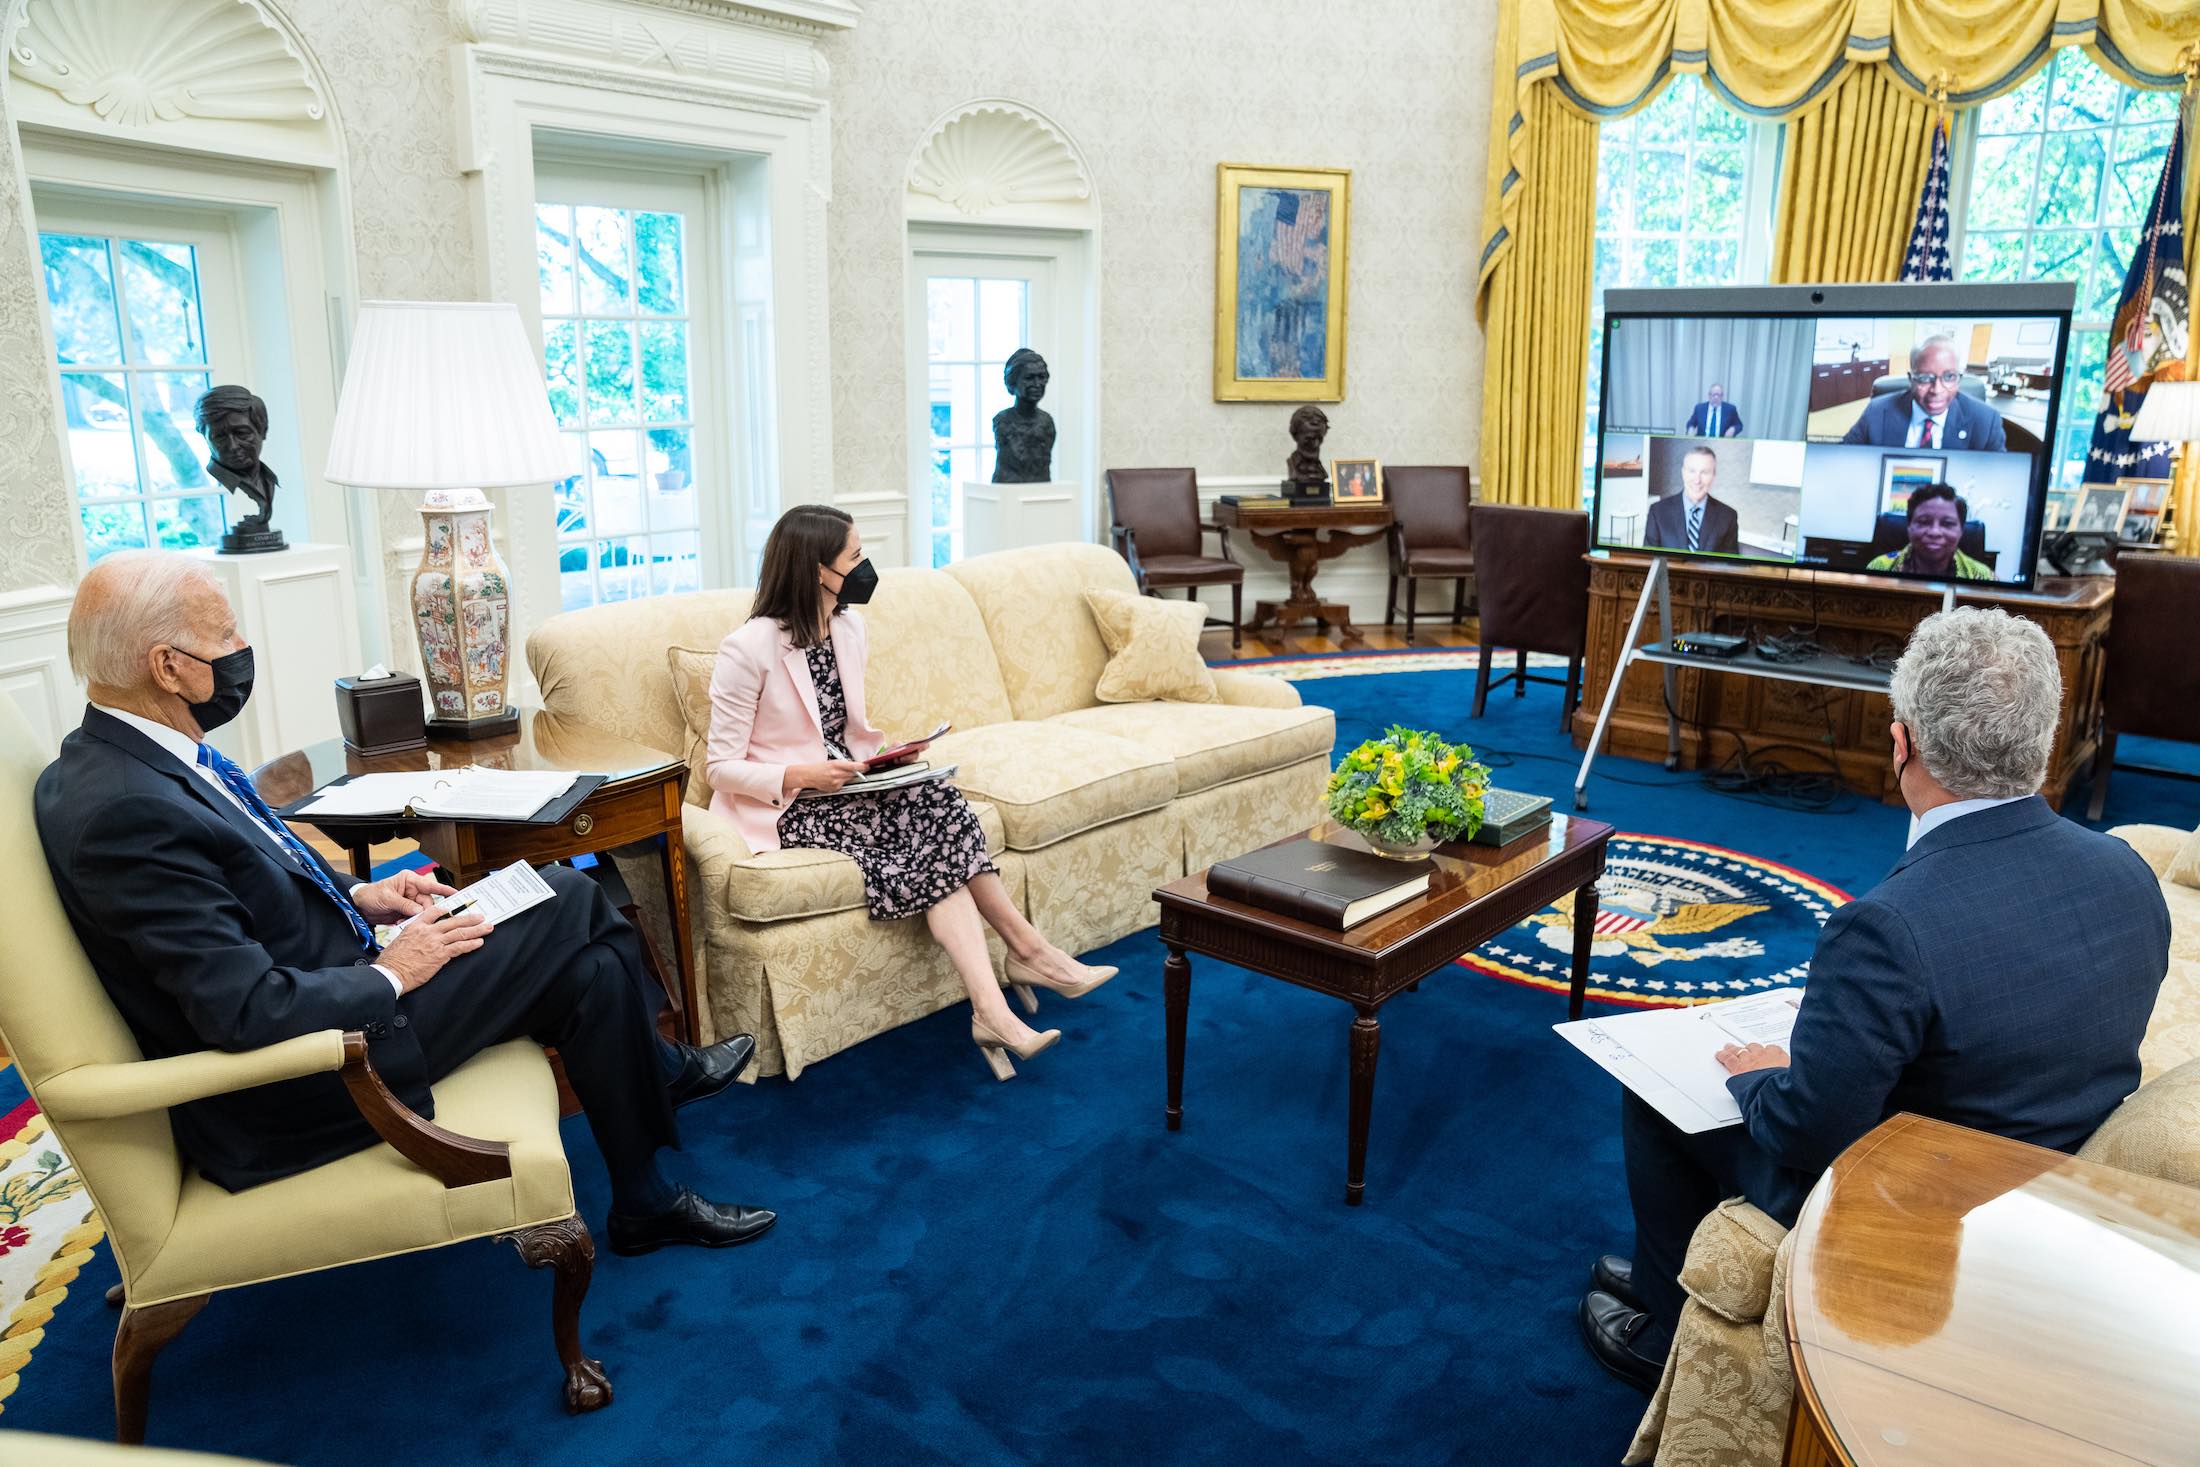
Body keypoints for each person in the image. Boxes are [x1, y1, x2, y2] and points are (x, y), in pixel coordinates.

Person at [36, 553, 774, 1256]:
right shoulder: (128, 811)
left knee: (588, 971)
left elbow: (231, 889)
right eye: (225, 635)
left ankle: (644, 1197)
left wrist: (361, 893)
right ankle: (664, 1071)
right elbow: (241, 1010)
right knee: (569, 893)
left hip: (333, 980)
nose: (242, 647)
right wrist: (393, 971)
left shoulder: (128, 759)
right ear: (167, 666)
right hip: (315, 1070)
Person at [1579, 607, 2169, 1390]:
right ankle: (1679, 1268)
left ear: (1904, 742)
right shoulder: (2129, 871)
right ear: (2044, 739)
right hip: (2047, 1184)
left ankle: (1663, 1326)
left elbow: (1803, 1132)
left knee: (1658, 1092)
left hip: (1913, 1208)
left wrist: (1760, 1074)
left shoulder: (1888, 925)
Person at [704, 504, 1115, 1079]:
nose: (866, 565)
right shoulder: (747, 649)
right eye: (855, 555)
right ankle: (1024, 960)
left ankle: (1002, 991)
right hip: (790, 805)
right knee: (932, 834)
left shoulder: (848, 626)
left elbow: (842, 734)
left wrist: (886, 761)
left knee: (939, 801)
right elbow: (719, 767)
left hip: (849, 783)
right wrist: (801, 775)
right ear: (815, 568)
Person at [1841, 336, 2008, 452]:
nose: (1937, 390)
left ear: (1958, 379)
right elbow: (1843, 457)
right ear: (1911, 379)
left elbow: (1998, 477)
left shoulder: (1986, 421)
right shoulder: (1877, 412)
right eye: (1924, 378)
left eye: (1949, 377)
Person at [1866, 482, 1993, 580]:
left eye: (1947, 524)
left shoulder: (1984, 576)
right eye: (1924, 522)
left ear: (1961, 530)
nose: (1934, 532)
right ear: (1909, 526)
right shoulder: (1879, 567)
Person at [1641, 445, 1741, 554]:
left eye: (1705, 472)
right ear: (1683, 472)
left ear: (1714, 476)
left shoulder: (1728, 516)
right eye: (1692, 471)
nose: (1697, 480)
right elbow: (1648, 560)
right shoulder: (1658, 512)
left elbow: (1730, 566)